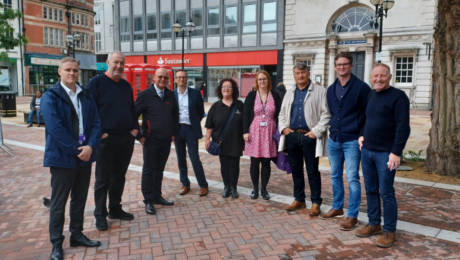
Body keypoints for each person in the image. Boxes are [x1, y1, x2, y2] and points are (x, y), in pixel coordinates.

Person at [40, 57, 102, 260]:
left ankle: (76, 235)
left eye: (75, 70)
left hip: (84, 155)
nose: (72, 73)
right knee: (58, 204)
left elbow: (95, 123)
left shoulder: (86, 95)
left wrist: (91, 146)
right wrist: (79, 150)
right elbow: (55, 129)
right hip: (62, 158)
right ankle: (56, 243)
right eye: (68, 70)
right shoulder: (51, 96)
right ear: (59, 71)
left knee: (80, 199)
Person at [355, 63, 410, 248]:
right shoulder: (371, 95)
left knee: (386, 193)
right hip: (367, 151)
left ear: (390, 76)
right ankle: (374, 223)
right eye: (375, 76)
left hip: (386, 153)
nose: (378, 79)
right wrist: (362, 134)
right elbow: (368, 119)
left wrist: (396, 152)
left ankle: (389, 230)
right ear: (371, 77)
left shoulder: (399, 97)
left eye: (382, 76)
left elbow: (403, 127)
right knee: (371, 190)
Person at [87, 50, 139, 231]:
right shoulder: (96, 83)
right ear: (108, 62)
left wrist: (135, 129)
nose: (119, 66)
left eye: (122, 63)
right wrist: (100, 133)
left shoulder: (125, 85)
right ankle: (100, 214)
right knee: (103, 179)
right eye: (116, 62)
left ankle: (115, 209)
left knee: (119, 176)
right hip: (106, 139)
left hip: (126, 138)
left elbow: (132, 108)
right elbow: (88, 111)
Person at [320, 53, 371, 231]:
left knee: (352, 178)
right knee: (334, 175)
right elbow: (332, 113)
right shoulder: (331, 88)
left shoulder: (362, 88)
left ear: (350, 66)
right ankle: (337, 207)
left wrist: (362, 134)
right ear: (335, 67)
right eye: (339, 65)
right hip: (334, 139)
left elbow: (368, 115)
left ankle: (353, 215)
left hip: (352, 140)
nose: (342, 67)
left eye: (345, 64)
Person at [278, 62, 331, 215]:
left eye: (303, 72)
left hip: (310, 136)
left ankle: (316, 202)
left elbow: (326, 114)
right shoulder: (289, 92)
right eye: (297, 73)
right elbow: (282, 114)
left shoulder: (320, 91)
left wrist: (316, 131)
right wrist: (284, 129)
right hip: (292, 136)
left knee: (312, 170)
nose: (300, 75)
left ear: (308, 73)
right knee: (296, 170)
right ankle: (299, 199)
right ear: (294, 75)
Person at [136, 68, 179, 215]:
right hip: (150, 140)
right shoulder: (145, 95)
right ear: (154, 78)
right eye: (160, 77)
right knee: (149, 171)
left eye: (165, 78)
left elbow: (175, 115)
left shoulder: (170, 95)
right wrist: (140, 137)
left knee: (159, 170)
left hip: (165, 140)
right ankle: (148, 200)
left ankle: (156, 196)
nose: (163, 80)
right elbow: (133, 116)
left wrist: (174, 133)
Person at [243, 70, 281, 200]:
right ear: (256, 81)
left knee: (266, 162)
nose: (262, 81)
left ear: (268, 80)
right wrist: (245, 131)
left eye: (264, 79)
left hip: (270, 132)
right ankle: (255, 189)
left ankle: (264, 189)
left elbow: (280, 114)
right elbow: (245, 114)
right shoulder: (252, 95)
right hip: (254, 132)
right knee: (254, 161)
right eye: (259, 79)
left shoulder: (275, 95)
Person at [205, 78, 244, 199]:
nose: (226, 89)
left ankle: (234, 187)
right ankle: (226, 186)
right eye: (224, 87)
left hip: (236, 140)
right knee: (224, 165)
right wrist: (207, 139)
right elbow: (209, 125)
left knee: (234, 165)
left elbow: (246, 123)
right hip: (220, 141)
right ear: (220, 90)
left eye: (229, 87)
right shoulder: (216, 106)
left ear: (233, 90)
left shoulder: (240, 105)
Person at [173, 69, 209, 196]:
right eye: (179, 77)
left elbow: (200, 112)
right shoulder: (171, 95)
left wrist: (193, 122)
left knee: (194, 158)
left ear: (186, 79)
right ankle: (185, 184)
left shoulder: (195, 93)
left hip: (191, 130)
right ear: (175, 79)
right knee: (181, 158)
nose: (181, 79)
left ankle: (203, 185)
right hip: (177, 130)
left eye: (183, 77)